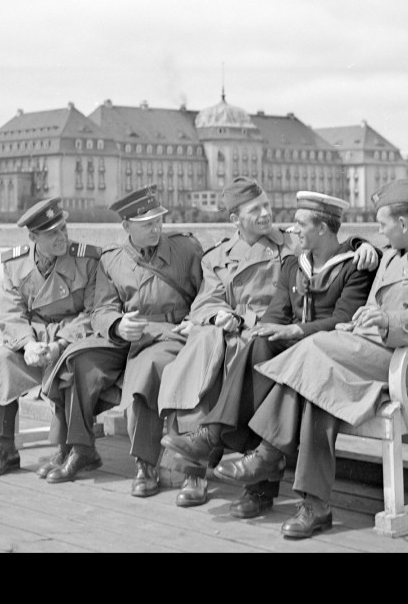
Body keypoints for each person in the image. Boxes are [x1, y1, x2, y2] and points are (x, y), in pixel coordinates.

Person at [214, 178, 408, 539]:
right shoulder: (390, 254)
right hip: (378, 355)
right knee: (318, 381)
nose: (378, 230)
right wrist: (362, 321)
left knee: (314, 352)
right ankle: (315, 505)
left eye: (382, 223)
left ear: (402, 224)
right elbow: (368, 302)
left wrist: (389, 321)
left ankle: (269, 453)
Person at [161, 191, 379, 518]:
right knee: (256, 344)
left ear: (321, 228)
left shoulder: (352, 267)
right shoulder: (294, 264)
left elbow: (342, 319)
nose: (292, 228)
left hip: (327, 353)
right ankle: (231, 452)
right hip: (298, 350)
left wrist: (364, 244)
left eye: (301, 223)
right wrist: (269, 328)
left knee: (274, 375)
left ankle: (250, 463)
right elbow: (276, 313)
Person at [42, 184, 203, 497]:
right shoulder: (112, 259)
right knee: (79, 359)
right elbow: (101, 309)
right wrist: (117, 325)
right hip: (126, 336)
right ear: (127, 226)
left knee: (147, 369)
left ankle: (145, 464)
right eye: (146, 225)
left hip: (166, 335)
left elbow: (206, 295)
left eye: (158, 222)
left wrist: (194, 320)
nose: (156, 229)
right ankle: (81, 448)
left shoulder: (186, 250)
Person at [0, 196, 101, 479]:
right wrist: (28, 344)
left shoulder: (86, 260)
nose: (62, 237)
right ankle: (6, 450)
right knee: (1, 360)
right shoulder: (15, 264)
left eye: (63, 229)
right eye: (52, 233)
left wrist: (60, 344)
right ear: (33, 237)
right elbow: (9, 310)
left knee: (70, 368)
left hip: (71, 340)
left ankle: (66, 448)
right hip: (33, 340)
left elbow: (93, 312)